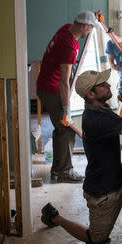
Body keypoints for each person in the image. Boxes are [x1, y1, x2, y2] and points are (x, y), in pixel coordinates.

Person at [40, 69, 122, 244]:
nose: (108, 85)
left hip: (120, 175)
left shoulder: (101, 108)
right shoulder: (95, 119)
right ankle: (54, 216)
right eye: (102, 84)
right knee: (96, 241)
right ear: (90, 94)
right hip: (104, 193)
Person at [36, 10, 96, 183]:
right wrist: (67, 110)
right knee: (66, 127)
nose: (90, 31)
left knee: (60, 129)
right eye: (90, 28)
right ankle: (64, 171)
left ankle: (57, 168)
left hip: (44, 85)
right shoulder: (70, 46)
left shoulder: (66, 28)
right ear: (84, 25)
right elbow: (64, 81)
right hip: (51, 89)